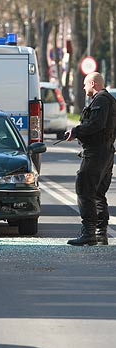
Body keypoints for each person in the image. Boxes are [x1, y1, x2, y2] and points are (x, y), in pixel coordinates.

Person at [65, 72, 116, 246]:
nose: (83, 88)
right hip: (106, 152)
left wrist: (77, 131)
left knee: (85, 189)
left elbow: (96, 124)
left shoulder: (101, 99)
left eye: (85, 84)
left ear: (93, 84)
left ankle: (89, 233)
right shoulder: (107, 99)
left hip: (96, 153)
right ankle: (101, 232)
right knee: (97, 193)